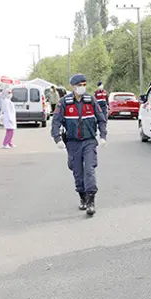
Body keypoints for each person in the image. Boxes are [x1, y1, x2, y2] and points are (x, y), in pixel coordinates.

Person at [51, 74, 108, 216]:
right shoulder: (64, 102)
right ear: (73, 86)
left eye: (84, 84)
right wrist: (57, 139)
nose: (83, 87)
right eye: (80, 85)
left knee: (89, 170)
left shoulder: (90, 100)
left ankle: (91, 201)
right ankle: (82, 196)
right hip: (72, 142)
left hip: (89, 141)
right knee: (77, 172)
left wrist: (103, 136)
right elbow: (56, 121)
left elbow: (101, 119)